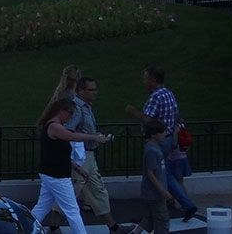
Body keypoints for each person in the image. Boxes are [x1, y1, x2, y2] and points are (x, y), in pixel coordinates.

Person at [125, 65, 198, 223]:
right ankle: (187, 204)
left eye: (145, 78)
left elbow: (149, 120)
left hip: (157, 141)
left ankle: (148, 215)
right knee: (165, 174)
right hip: (169, 139)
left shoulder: (156, 96)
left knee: (150, 176)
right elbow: (176, 115)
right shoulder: (169, 93)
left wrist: (132, 111)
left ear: (153, 80)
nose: (144, 81)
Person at [30, 98, 111, 234]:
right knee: (72, 211)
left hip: (51, 174)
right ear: (61, 111)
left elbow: (60, 155)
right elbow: (71, 136)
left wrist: (78, 169)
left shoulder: (54, 126)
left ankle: (24, 229)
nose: (71, 117)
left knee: (42, 208)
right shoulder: (54, 127)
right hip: (57, 176)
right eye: (70, 113)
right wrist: (94, 137)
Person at [66, 77, 127, 233]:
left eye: (95, 89)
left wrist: (97, 136)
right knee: (72, 192)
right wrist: (93, 137)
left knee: (97, 189)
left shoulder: (86, 107)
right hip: (80, 156)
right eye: (91, 90)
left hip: (88, 155)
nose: (95, 93)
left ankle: (113, 227)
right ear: (80, 91)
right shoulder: (77, 109)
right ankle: (51, 225)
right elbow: (68, 132)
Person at [140, 120, 175, 234]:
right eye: (162, 132)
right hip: (155, 193)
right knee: (162, 220)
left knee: (149, 218)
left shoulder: (154, 147)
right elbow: (150, 173)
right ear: (154, 134)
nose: (165, 134)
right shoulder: (152, 150)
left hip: (154, 192)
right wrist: (163, 191)